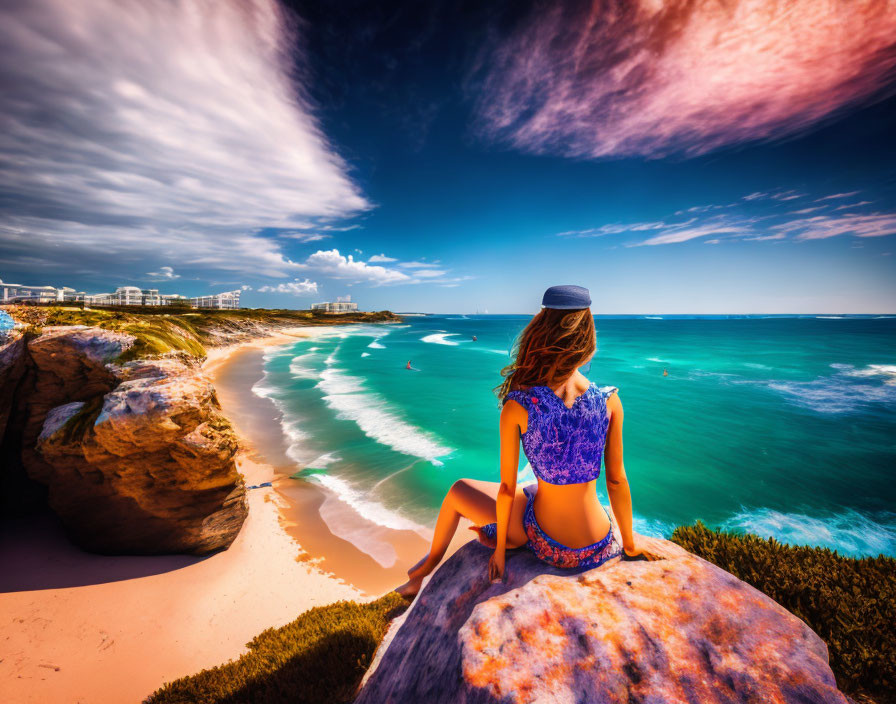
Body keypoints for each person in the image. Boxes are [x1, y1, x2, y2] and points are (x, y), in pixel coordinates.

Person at [395, 285, 655, 598]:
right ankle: (438, 563)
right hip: (597, 542)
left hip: (548, 542)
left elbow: (505, 489)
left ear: (541, 334)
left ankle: (420, 574)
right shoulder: (610, 401)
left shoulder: (519, 406)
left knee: (460, 491)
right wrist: (629, 544)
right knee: (529, 492)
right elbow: (616, 480)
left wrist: (501, 552)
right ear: (586, 338)